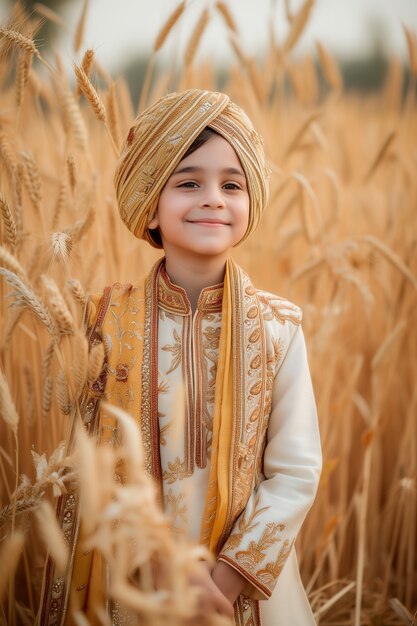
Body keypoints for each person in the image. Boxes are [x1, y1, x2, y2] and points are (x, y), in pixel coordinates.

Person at [40, 89, 322, 626]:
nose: (213, 198)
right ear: (150, 202)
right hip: (136, 581)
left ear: (250, 201)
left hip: (244, 592)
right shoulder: (106, 320)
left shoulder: (278, 328)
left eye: (231, 184)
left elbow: (296, 470)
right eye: (188, 182)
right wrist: (166, 565)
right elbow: (90, 464)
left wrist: (224, 580)